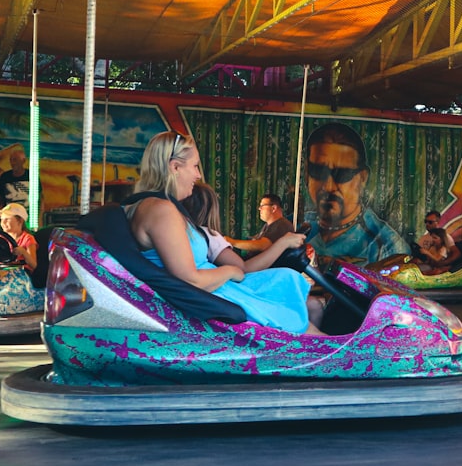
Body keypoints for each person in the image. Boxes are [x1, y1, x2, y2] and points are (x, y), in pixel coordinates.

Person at [126, 131, 320, 335]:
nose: (198, 175)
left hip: (217, 293)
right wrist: (230, 271)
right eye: (194, 166)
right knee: (302, 319)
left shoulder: (155, 207)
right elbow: (191, 281)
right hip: (212, 299)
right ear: (175, 167)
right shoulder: (160, 210)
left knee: (287, 283)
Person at [304, 122, 407, 265]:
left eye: (342, 174)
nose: (328, 187)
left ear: (363, 178)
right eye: (318, 171)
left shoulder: (386, 246)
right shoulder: (297, 227)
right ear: (306, 172)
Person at [226, 193, 293, 256]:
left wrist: (232, 242)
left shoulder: (282, 225)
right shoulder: (268, 225)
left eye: (262, 206)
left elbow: (263, 245)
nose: (259, 209)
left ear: (273, 208)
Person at [0, 202, 37, 269]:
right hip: (1, 271)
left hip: (21, 272)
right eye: (1, 219)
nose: (3, 223)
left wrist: (24, 253)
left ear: (20, 221)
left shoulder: (27, 238)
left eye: (7, 219)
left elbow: (34, 265)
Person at [0, 145, 33, 211]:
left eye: (15, 160)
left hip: (28, 215)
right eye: (11, 160)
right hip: (9, 214)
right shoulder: (5, 176)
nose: (12, 163)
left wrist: (40, 217)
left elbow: (40, 198)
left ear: (23, 160)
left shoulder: (31, 175)